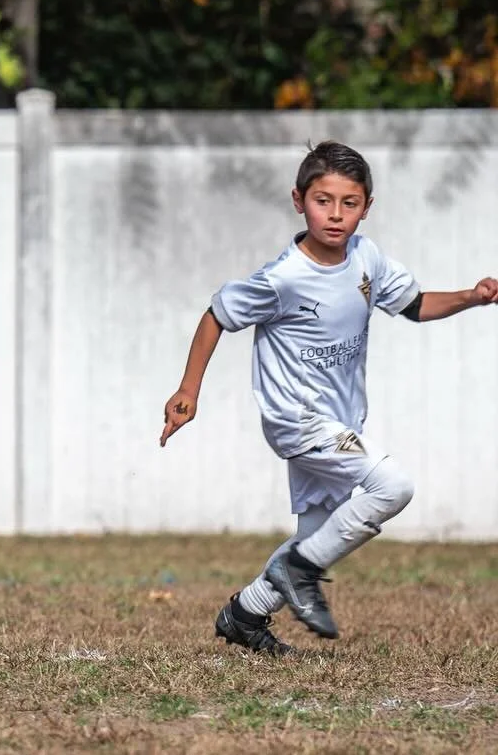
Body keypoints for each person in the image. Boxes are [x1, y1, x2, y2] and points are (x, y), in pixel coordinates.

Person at [161, 140, 497, 654]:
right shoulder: (283, 278)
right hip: (297, 419)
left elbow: (413, 304)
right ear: (299, 200)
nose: (336, 214)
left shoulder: (366, 258)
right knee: (393, 487)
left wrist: (472, 297)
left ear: (367, 207)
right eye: (323, 201)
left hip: (341, 421)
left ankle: (245, 614)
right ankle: (299, 572)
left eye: (349, 203)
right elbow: (218, 315)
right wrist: (189, 389)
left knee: (317, 532)